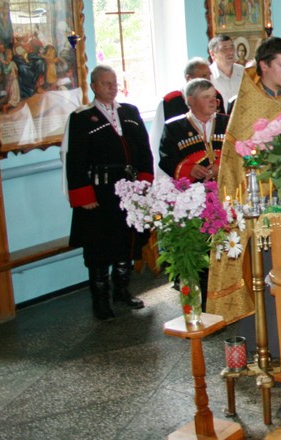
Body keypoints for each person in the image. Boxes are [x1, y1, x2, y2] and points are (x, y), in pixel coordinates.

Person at [208, 37, 281, 322]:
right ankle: (258, 333)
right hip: (256, 200)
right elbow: (239, 158)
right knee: (259, 267)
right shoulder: (248, 103)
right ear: (264, 65)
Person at [64, 65, 155, 320]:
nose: (112, 87)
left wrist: (145, 181)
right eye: (106, 83)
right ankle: (101, 301)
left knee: (127, 241)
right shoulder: (82, 118)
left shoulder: (129, 112)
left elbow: (144, 150)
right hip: (99, 192)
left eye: (114, 83)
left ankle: (122, 291)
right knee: (99, 246)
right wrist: (84, 196)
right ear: (93, 86)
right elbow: (76, 159)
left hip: (130, 188)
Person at [158, 78, 228, 181]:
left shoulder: (228, 122)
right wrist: (189, 170)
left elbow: (240, 150)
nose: (213, 101)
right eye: (206, 97)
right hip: (193, 190)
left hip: (227, 186)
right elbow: (167, 160)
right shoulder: (174, 127)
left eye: (214, 97)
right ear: (190, 100)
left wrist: (221, 165)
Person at [208, 34, 243, 107]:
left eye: (232, 47)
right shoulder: (208, 75)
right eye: (224, 49)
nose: (230, 52)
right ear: (212, 54)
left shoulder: (243, 72)